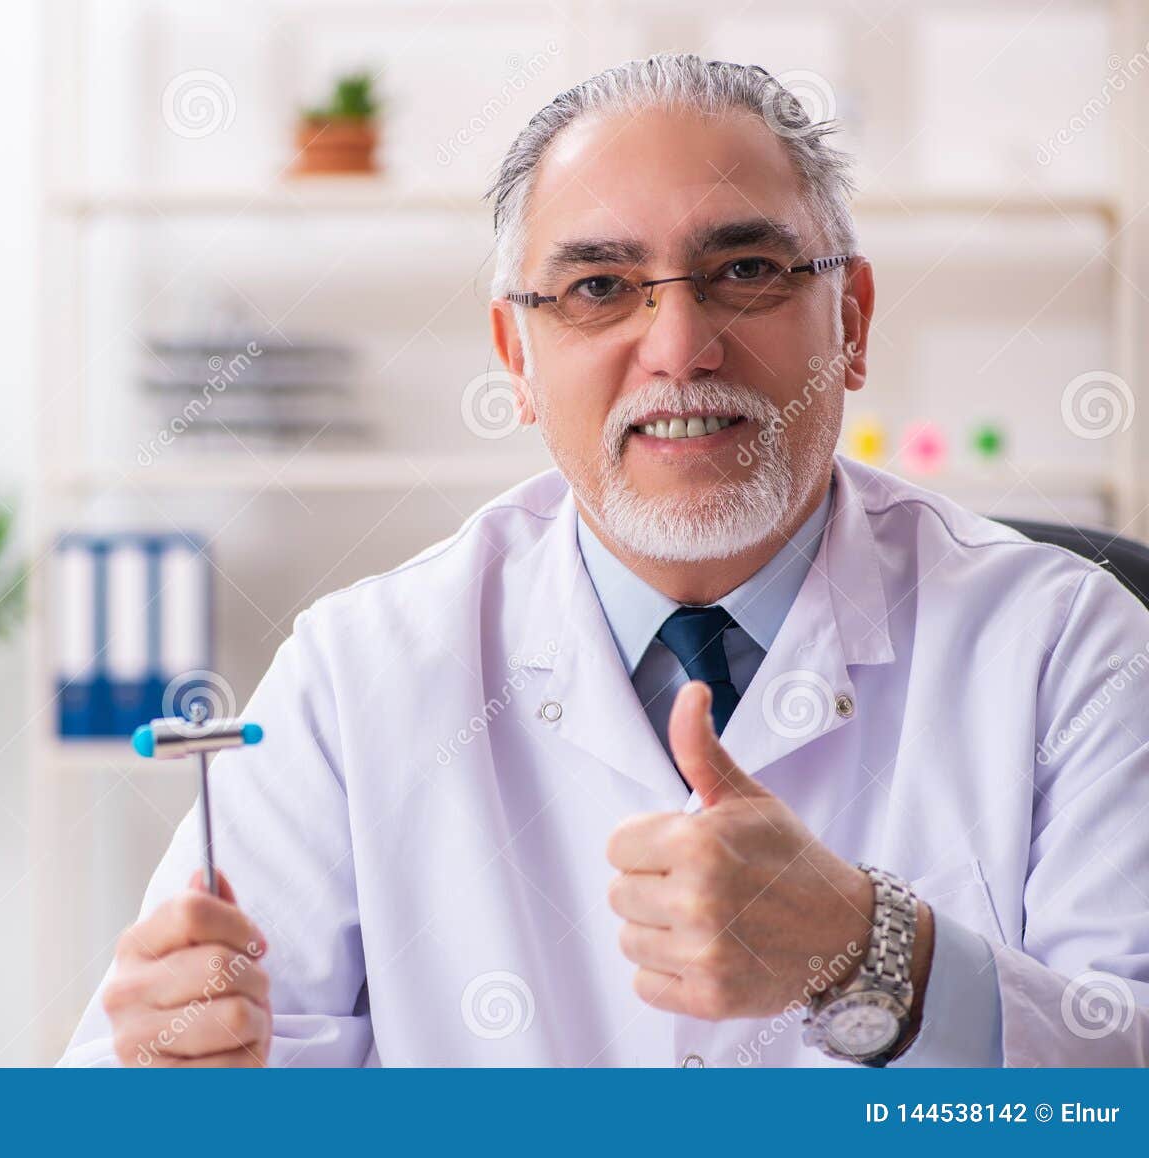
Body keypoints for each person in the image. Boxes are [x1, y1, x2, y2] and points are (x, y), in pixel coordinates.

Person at [60, 53, 1149, 1067]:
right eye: (596, 289)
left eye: (747, 269)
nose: (678, 348)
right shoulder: (355, 677)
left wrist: (877, 956)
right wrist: (176, 1074)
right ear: (515, 358)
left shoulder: (1070, 646)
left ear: (851, 321)